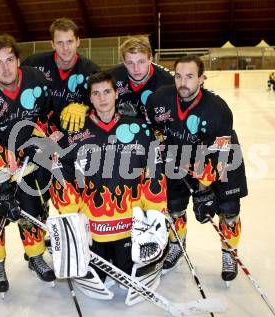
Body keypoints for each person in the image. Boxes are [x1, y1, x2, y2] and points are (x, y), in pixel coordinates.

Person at [50, 71, 168, 285]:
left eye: (107, 92)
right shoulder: (75, 132)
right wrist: (69, 215)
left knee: (127, 274)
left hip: (129, 223)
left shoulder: (139, 128)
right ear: (90, 99)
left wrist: (154, 209)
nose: (102, 98)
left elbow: (155, 169)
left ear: (116, 94)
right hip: (93, 225)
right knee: (99, 275)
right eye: (96, 93)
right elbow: (61, 172)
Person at [0, 34, 56, 295]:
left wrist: (42, 139)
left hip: (25, 158)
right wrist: (0, 181)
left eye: (9, 60)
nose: (5, 68)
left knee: (31, 212)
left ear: (18, 60)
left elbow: (46, 115)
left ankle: (36, 257)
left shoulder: (35, 80)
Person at [146, 55, 248, 284]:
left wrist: (203, 191)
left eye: (190, 76)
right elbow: (154, 129)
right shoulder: (159, 99)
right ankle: (177, 245)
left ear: (202, 78)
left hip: (220, 159)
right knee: (173, 209)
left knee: (229, 211)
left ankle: (229, 253)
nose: (183, 82)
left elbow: (219, 152)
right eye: (178, 76)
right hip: (178, 159)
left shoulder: (218, 110)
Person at [22, 18, 100, 132]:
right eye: (60, 43)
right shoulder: (33, 65)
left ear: (78, 41)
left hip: (73, 134)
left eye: (70, 41)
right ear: (52, 44)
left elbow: (103, 102)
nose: (65, 48)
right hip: (37, 134)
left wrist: (85, 107)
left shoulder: (92, 71)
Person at [108, 35, 174, 120]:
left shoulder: (168, 82)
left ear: (150, 59)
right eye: (130, 63)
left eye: (141, 62)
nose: (136, 69)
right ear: (124, 62)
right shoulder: (111, 77)